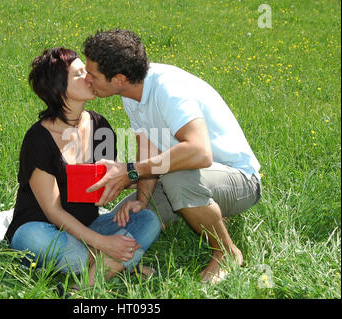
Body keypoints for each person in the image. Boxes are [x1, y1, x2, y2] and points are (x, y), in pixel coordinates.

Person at [83, 29, 262, 283]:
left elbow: (200, 152)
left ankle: (226, 253)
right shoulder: (131, 93)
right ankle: (204, 209)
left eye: (93, 75)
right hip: (190, 175)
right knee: (128, 213)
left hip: (241, 179)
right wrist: (143, 199)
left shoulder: (168, 89)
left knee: (178, 181)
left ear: (119, 78)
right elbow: (148, 148)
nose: (87, 79)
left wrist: (130, 171)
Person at [4, 47, 161, 293]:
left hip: (89, 226)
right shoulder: (39, 139)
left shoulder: (100, 126)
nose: (90, 76)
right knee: (33, 239)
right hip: (44, 230)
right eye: (79, 74)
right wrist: (104, 244)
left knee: (148, 219)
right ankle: (119, 264)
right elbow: (53, 211)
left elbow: (112, 179)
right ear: (58, 89)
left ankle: (86, 282)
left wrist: (138, 175)